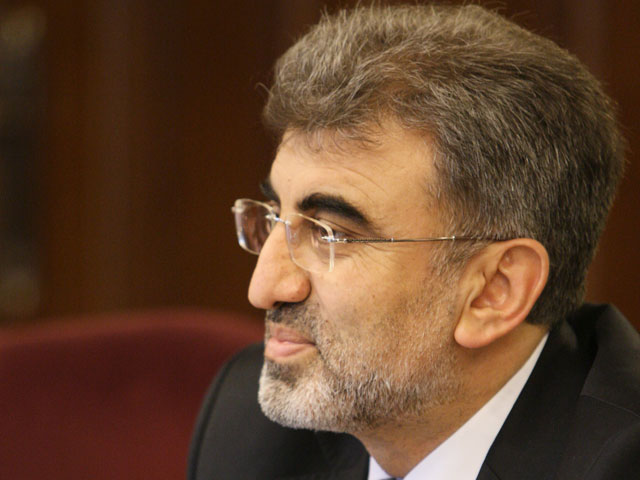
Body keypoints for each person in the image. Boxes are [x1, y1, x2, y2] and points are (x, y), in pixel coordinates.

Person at [188, 4, 640, 479]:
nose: (262, 288)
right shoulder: (251, 426)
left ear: (494, 291)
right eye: (275, 216)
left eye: (330, 233)